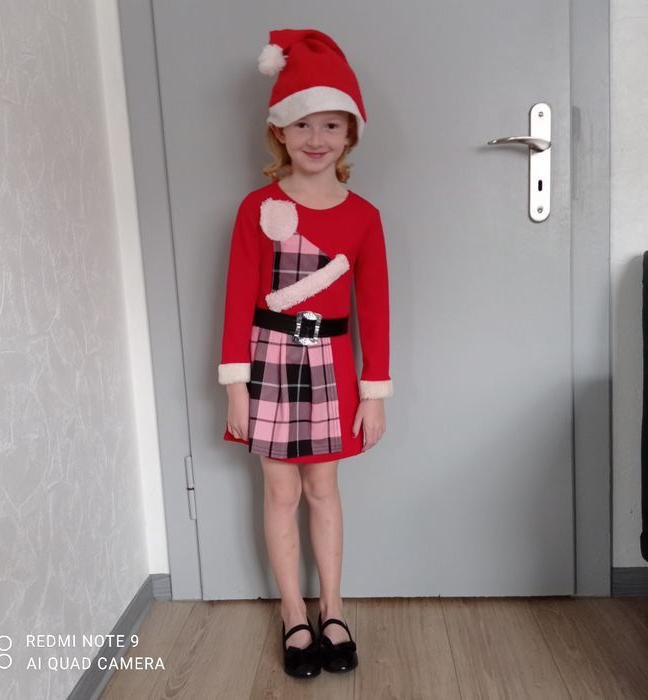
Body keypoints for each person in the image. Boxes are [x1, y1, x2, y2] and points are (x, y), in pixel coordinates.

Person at [217, 28, 393, 679]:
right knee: (279, 489)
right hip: (267, 364)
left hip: (330, 368)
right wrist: (235, 387)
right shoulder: (256, 208)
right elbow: (238, 298)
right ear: (280, 132)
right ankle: (294, 613)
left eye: (331, 124)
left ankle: (333, 610)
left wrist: (374, 393)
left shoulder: (365, 216)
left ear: (350, 135)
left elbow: (375, 309)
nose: (316, 138)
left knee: (324, 487)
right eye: (302, 124)